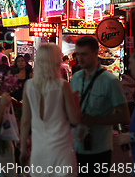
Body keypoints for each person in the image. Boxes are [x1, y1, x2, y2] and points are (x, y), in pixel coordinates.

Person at [70, 36, 130, 177]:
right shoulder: (75, 78)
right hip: (76, 145)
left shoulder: (110, 81)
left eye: (84, 54)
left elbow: (124, 116)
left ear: (96, 53)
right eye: (77, 54)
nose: (80, 58)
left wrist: (94, 120)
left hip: (99, 148)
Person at [19, 43, 81, 176]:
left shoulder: (29, 86)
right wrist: (76, 100)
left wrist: (23, 148)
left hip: (39, 151)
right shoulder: (62, 85)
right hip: (61, 150)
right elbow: (75, 119)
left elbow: (25, 121)